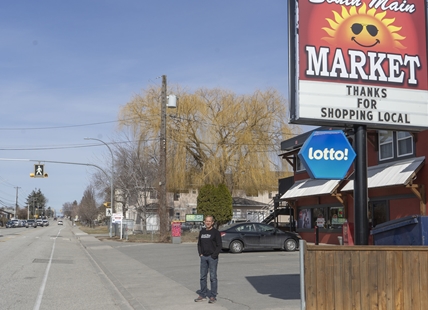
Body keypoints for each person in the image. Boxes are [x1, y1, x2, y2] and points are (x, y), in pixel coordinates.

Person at [194, 215, 222, 304]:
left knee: (213, 277)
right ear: (204, 222)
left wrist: (214, 255)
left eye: (209, 221)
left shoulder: (216, 232)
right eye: (206, 221)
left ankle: (213, 296)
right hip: (203, 257)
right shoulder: (202, 232)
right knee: (202, 277)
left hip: (212, 258)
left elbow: (219, 245)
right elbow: (199, 244)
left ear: (212, 222)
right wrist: (200, 254)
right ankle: (202, 294)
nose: (208, 222)